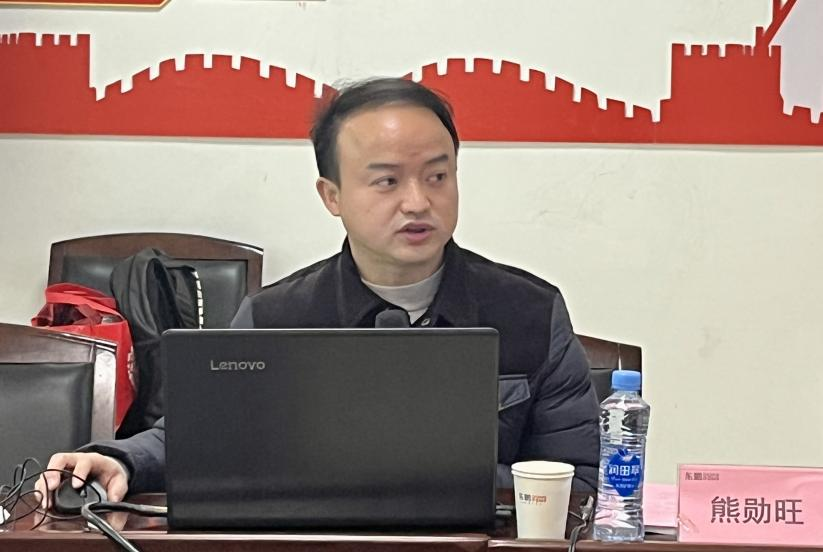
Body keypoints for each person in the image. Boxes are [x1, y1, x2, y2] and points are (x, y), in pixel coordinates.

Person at [36, 77, 600, 508]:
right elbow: (196, 437)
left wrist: (425, 483)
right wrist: (118, 460)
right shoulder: (276, 317)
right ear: (332, 195)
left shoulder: (530, 312)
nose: (418, 202)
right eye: (386, 181)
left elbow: (582, 480)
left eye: (437, 175)